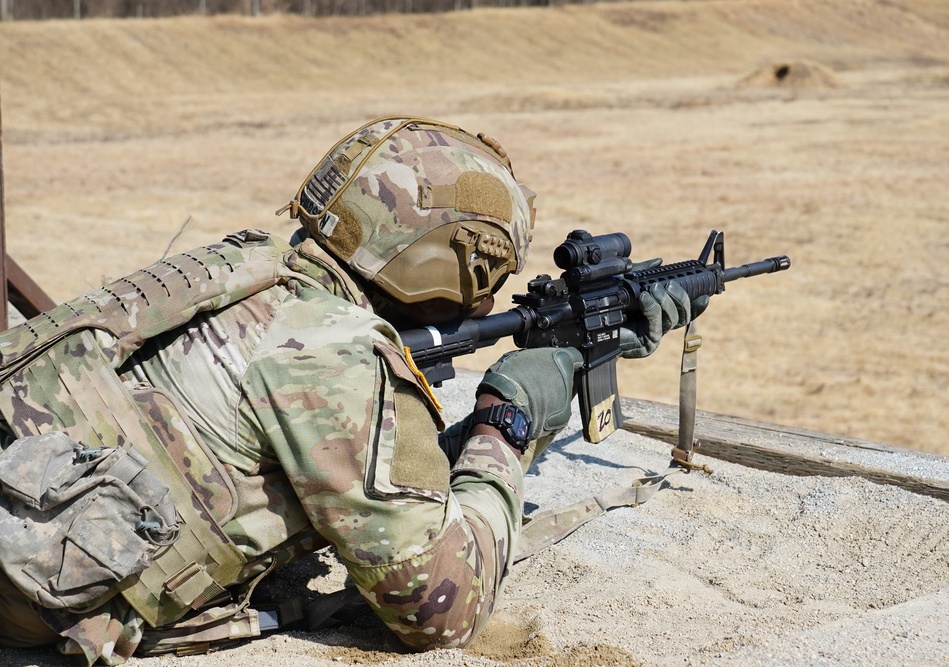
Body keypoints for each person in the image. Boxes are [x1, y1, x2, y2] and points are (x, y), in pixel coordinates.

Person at [0, 116, 698, 665]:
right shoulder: (332, 354)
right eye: (483, 276)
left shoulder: (248, 266)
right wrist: (505, 422)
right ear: (437, 260)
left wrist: (574, 356)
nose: (485, 304)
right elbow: (441, 610)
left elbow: (371, 469)